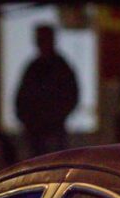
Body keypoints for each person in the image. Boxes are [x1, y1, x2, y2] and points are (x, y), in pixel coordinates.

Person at [14, 25, 79, 157]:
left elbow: (71, 96)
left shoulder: (60, 67)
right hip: (35, 130)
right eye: (39, 39)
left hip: (53, 129)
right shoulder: (33, 67)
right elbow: (22, 96)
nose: (40, 42)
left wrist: (55, 117)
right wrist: (26, 119)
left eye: (42, 39)